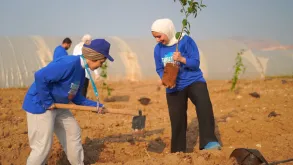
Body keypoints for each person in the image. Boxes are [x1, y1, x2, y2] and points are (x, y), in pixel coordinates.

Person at [22, 39, 114, 165]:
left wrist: (96, 106)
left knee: (73, 132)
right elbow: (40, 76)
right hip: (41, 104)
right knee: (42, 148)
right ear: (94, 57)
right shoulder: (69, 63)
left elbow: (76, 97)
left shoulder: (81, 71)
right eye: (101, 62)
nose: (101, 65)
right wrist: (48, 102)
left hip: (59, 106)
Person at [151, 18, 221, 153]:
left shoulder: (186, 41)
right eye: (155, 37)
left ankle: (209, 142)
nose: (157, 40)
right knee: (177, 119)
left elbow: (195, 63)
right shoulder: (158, 49)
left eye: (159, 36)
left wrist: (182, 59)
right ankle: (178, 151)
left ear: (168, 31)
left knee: (204, 107)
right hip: (174, 86)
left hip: (193, 81)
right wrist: (166, 80)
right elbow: (159, 68)